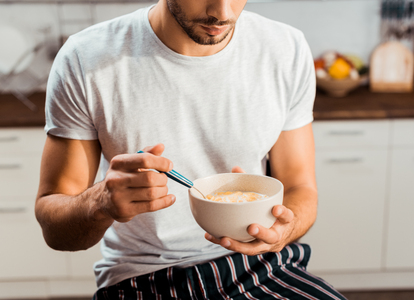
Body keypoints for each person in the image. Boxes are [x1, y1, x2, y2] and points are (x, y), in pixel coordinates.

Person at [36, 0, 347, 299]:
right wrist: (101, 202)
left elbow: (300, 187)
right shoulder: (86, 57)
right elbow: (55, 230)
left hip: (260, 267)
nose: (222, 13)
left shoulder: (285, 48)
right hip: (145, 278)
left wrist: (284, 228)